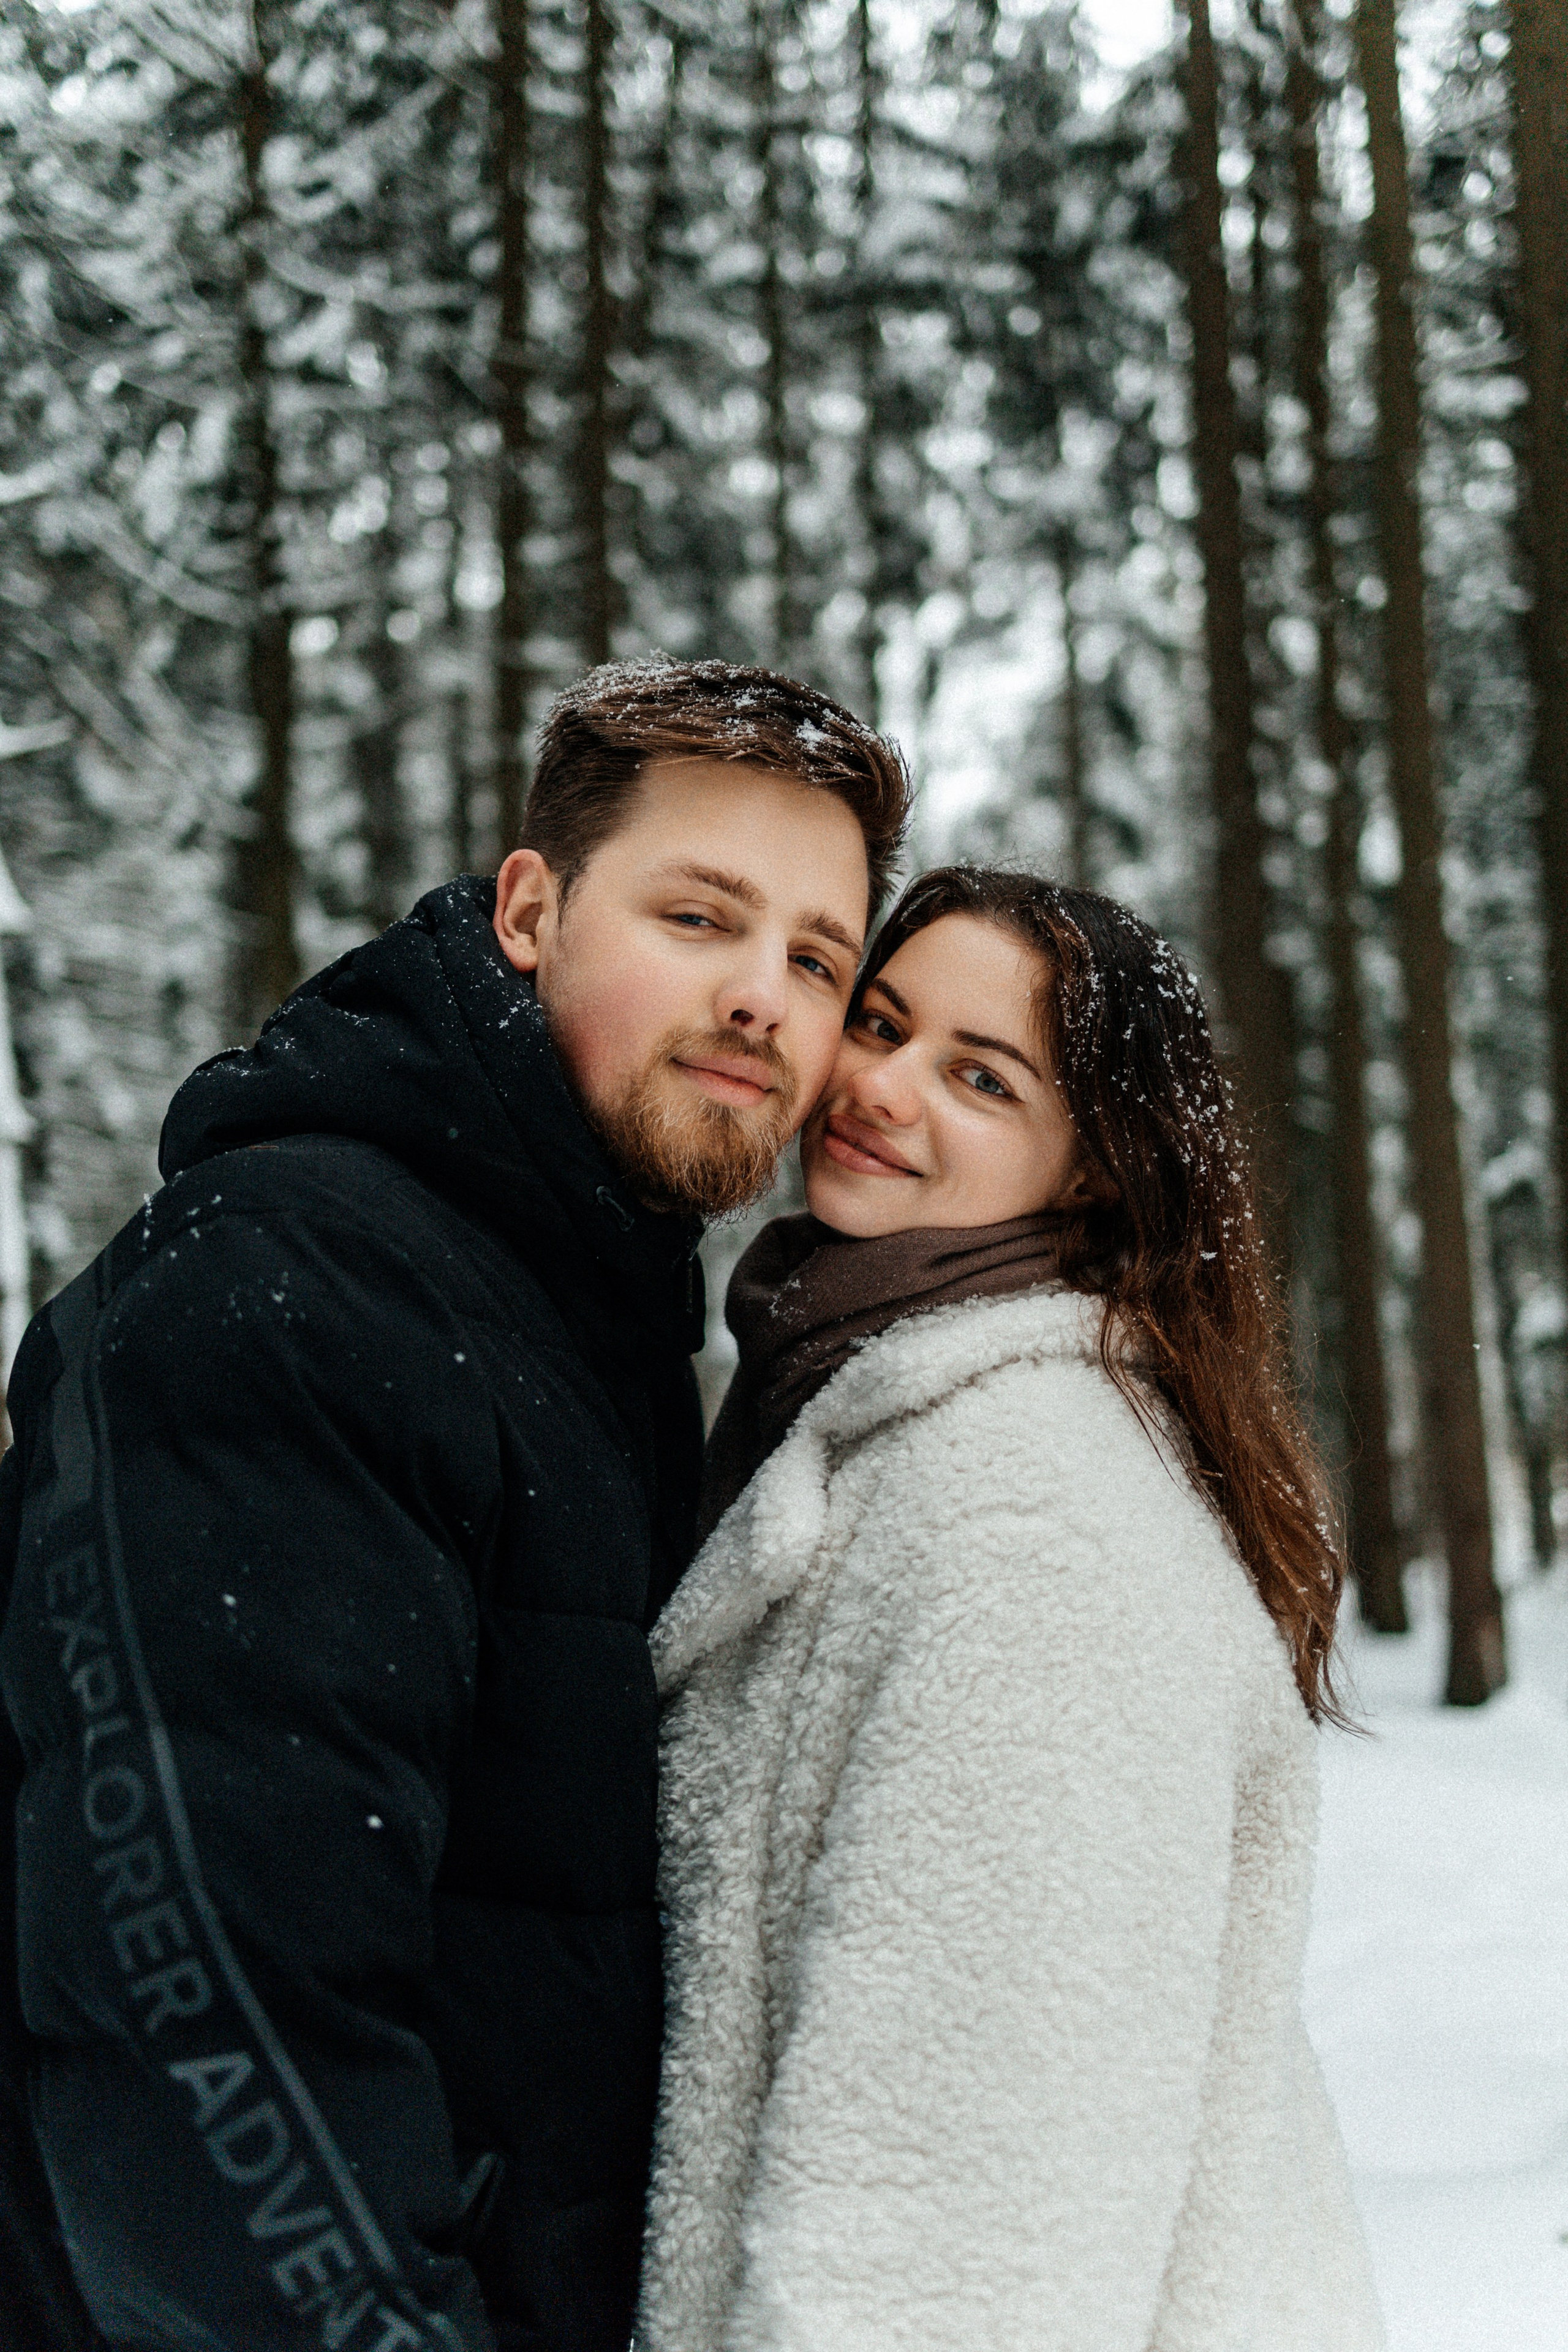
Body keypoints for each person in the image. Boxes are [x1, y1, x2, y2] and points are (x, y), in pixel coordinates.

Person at [0, 656, 911, 2352]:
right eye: (700, 918)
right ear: (527, 910)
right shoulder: (290, 1287)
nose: (764, 1000)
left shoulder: (593, 1326)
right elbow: (209, 2046)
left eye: (816, 957)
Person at [641, 865, 1385, 2352]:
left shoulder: (1030, 1518)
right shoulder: (881, 1415)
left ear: (1096, 1170)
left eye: (977, 1077)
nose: (878, 1086)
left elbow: (966, 2213)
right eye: (880, 1022)